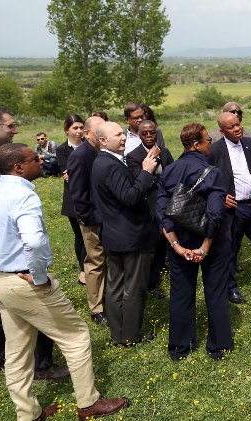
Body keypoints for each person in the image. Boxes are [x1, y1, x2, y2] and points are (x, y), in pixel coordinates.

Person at [0, 143, 129, 421]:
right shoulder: (23, 197)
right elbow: (32, 240)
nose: (41, 161)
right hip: (25, 282)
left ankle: (29, 414)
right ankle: (88, 404)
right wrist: (38, 275)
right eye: (34, 159)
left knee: (17, 351)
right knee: (76, 336)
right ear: (18, 167)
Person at [0, 107, 68, 381]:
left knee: (0, 304)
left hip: (3, 252)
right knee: (36, 303)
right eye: (11, 126)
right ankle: (41, 364)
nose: (15, 130)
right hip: (13, 251)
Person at [157, 123, 234, 361]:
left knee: (181, 294)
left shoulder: (168, 172)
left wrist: (177, 246)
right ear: (196, 145)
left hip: (179, 242)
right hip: (213, 244)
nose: (210, 142)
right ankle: (218, 347)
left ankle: (180, 348)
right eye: (207, 139)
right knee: (216, 292)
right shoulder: (213, 173)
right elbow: (215, 214)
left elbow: (162, 213)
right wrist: (205, 246)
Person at [91, 121, 160, 346]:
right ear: (103, 141)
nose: (123, 137)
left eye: (123, 133)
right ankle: (130, 335)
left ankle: (118, 333)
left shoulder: (102, 162)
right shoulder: (109, 164)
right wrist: (146, 171)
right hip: (131, 236)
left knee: (116, 286)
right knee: (133, 288)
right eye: (118, 134)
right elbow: (129, 197)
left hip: (115, 234)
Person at [210, 111, 251, 304]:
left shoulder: (250, 144)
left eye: (238, 124)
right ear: (222, 131)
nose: (238, 129)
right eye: (232, 127)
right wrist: (219, 198)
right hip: (232, 209)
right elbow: (206, 178)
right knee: (231, 250)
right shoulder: (214, 150)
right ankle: (231, 288)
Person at [68, 115, 108, 326]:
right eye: (99, 131)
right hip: (93, 219)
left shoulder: (104, 151)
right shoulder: (81, 155)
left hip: (109, 217)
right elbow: (78, 192)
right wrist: (89, 218)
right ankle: (97, 308)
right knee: (95, 262)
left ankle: (109, 298)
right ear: (88, 134)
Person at [127, 119, 174, 299]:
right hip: (148, 206)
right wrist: (155, 171)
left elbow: (173, 173)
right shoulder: (133, 156)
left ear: (157, 133)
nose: (148, 136)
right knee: (151, 246)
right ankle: (150, 282)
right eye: (144, 133)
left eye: (151, 133)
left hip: (166, 203)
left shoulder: (165, 152)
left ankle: (160, 271)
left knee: (164, 241)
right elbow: (141, 181)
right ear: (139, 135)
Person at [57, 114, 88, 286]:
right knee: (79, 235)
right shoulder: (62, 150)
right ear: (67, 130)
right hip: (72, 198)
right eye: (75, 128)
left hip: (90, 196)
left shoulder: (89, 146)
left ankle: (91, 265)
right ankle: (83, 269)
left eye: (81, 127)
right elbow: (67, 175)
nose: (78, 131)